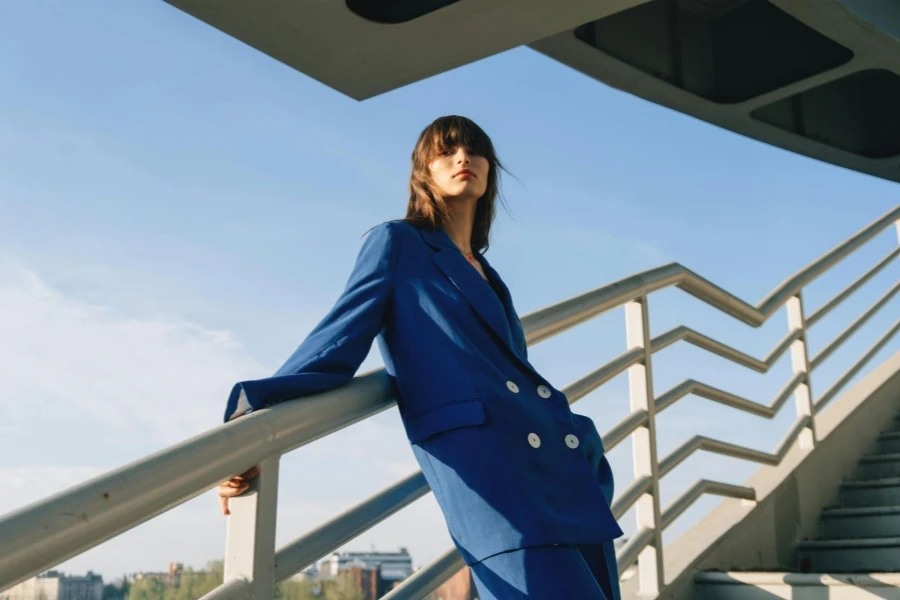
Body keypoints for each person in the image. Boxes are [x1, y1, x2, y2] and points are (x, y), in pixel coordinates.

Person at [217, 115, 624, 599]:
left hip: (565, 467)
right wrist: (249, 423)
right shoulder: (396, 243)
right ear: (422, 172)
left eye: (474, 151)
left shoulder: (490, 275)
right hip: (495, 476)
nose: (462, 158)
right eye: (445, 151)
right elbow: (335, 343)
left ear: (489, 171)